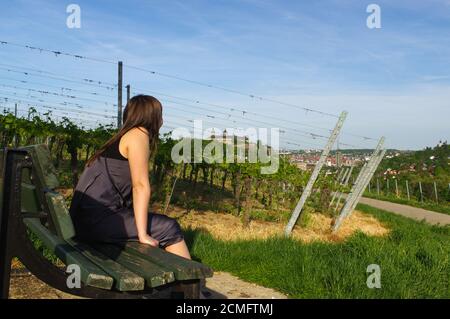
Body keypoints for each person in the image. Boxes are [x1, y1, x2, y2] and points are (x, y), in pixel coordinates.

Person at [69, 94, 191, 259]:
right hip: (96, 222)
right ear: (151, 117)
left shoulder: (122, 137)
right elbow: (140, 186)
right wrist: (143, 234)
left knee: (157, 223)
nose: (162, 121)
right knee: (169, 227)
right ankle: (188, 283)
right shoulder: (138, 135)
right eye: (160, 115)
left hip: (85, 220)